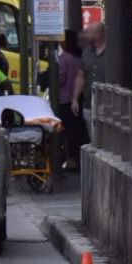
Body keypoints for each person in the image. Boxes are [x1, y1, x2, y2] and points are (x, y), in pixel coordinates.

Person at [57, 30, 88, 171]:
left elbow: (60, 79)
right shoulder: (78, 58)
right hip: (76, 99)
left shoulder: (63, 58)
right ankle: (77, 159)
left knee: (66, 133)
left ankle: (70, 160)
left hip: (64, 99)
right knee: (76, 131)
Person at [72, 22, 107, 133]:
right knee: (92, 136)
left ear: (97, 34)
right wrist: (75, 98)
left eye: (88, 32)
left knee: (105, 136)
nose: (85, 35)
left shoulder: (112, 52)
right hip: (89, 103)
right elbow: (81, 75)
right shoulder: (86, 52)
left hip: (107, 104)